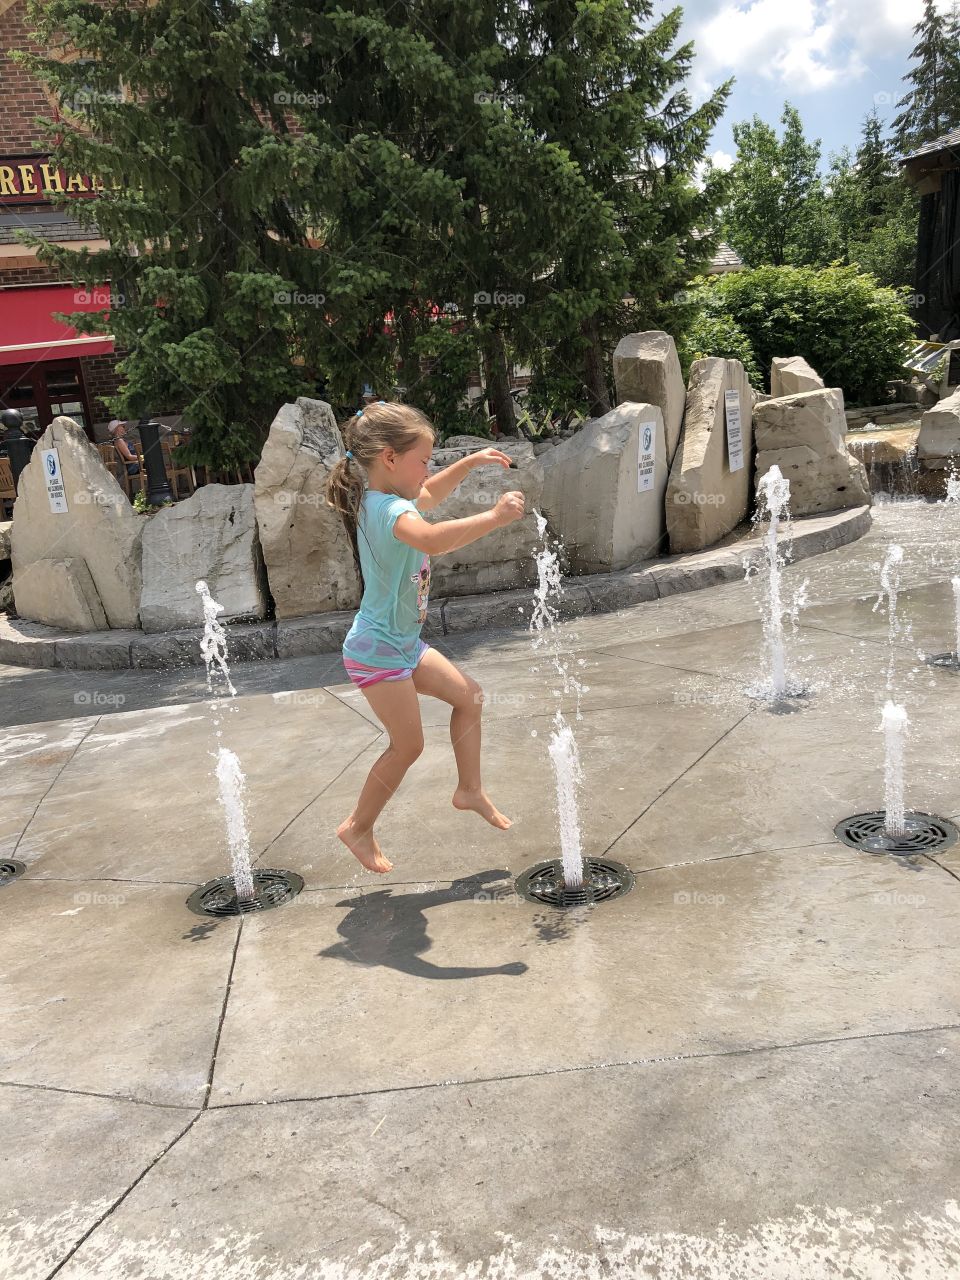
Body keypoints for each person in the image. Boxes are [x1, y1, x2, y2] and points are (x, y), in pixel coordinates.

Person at [326, 400, 525, 875]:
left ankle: (469, 790)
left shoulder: (392, 496)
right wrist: (495, 517)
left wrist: (471, 461)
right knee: (408, 746)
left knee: (469, 698)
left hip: (402, 645)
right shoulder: (389, 510)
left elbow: (431, 493)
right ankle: (357, 826)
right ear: (390, 459)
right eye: (422, 458)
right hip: (377, 652)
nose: (428, 469)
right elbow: (433, 538)